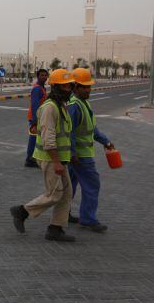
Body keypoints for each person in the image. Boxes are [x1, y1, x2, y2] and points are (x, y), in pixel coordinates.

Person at [9, 69, 76, 242]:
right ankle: (22, 211)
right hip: (49, 158)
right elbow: (48, 139)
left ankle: (55, 228)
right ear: (56, 87)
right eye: (66, 86)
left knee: (66, 193)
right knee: (54, 194)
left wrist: (69, 155)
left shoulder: (61, 105)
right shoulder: (49, 108)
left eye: (70, 85)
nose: (69, 89)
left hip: (60, 158)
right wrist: (57, 162)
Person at [67, 68, 114, 233]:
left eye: (89, 87)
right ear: (75, 87)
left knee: (68, 187)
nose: (88, 90)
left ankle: (63, 213)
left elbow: (92, 129)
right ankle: (87, 219)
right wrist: (73, 153)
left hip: (77, 156)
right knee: (92, 185)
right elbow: (69, 132)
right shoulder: (74, 106)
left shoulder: (83, 103)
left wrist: (105, 141)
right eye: (84, 87)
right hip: (81, 157)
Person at [25, 69, 49, 168]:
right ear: (38, 76)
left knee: (37, 139)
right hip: (35, 118)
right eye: (42, 75)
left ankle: (33, 158)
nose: (44, 77)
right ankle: (29, 159)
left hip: (40, 117)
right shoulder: (37, 89)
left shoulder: (42, 88)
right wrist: (35, 121)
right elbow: (35, 105)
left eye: (45, 75)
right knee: (33, 139)